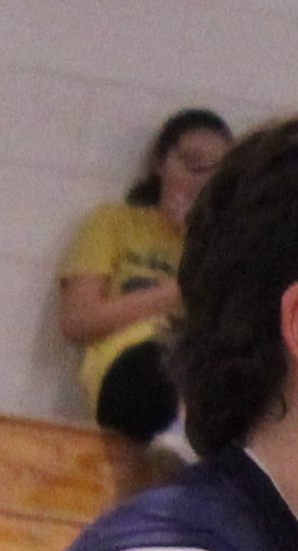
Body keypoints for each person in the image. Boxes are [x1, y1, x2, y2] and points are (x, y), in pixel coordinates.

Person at [56, 106, 231, 446]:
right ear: (160, 163)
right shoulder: (114, 223)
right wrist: (176, 293)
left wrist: (204, 244)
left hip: (197, 373)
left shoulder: (225, 247)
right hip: (130, 366)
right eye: (192, 166)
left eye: (215, 172)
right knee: (156, 366)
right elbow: (77, 321)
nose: (201, 181)